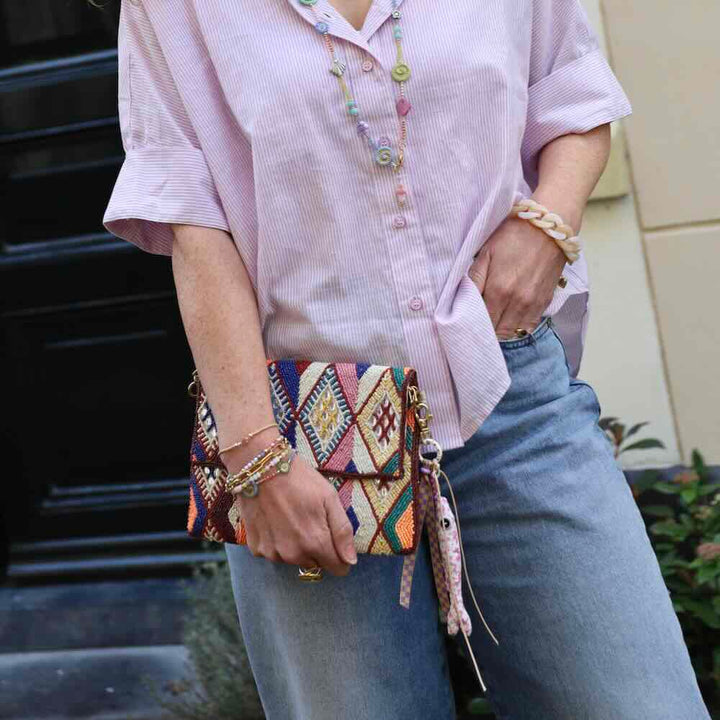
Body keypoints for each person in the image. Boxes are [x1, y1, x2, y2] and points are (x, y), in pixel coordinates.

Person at [103, 1, 712, 718]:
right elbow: (195, 225)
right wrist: (256, 459)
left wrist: (548, 223)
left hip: (511, 398)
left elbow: (573, 97)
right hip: (307, 440)